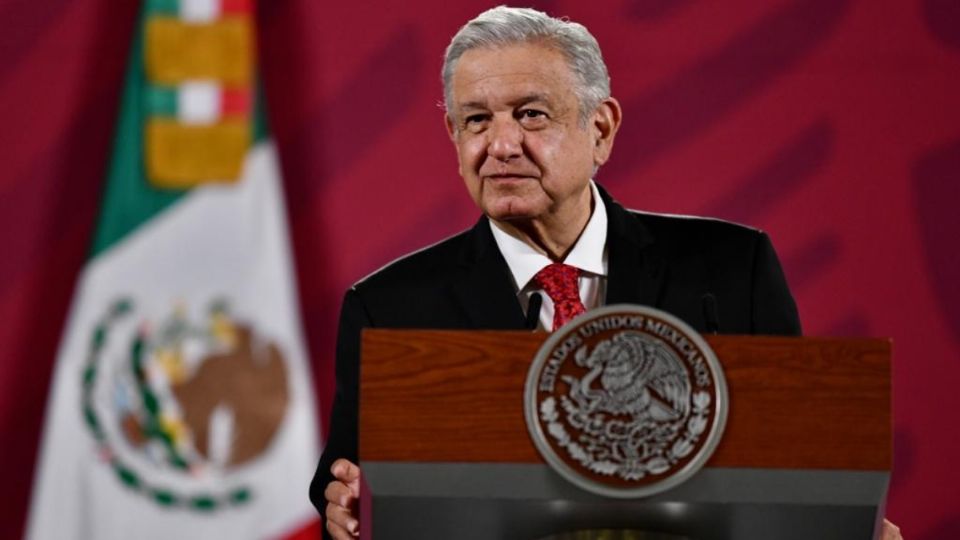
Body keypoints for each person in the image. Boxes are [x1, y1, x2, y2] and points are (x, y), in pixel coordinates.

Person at [311, 6, 900, 540]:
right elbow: (346, 482)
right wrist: (341, 503)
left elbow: (795, 461)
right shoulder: (389, 307)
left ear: (601, 129)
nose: (501, 144)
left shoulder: (730, 269)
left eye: (531, 115)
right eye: (476, 120)